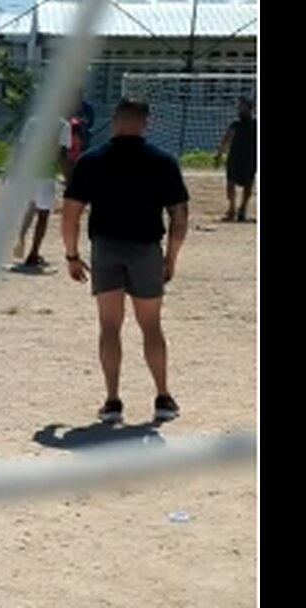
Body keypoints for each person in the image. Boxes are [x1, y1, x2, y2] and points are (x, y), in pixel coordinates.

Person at [60, 98, 189, 424]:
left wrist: (72, 255)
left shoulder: (92, 161)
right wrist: (171, 258)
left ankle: (113, 401)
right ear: (146, 123)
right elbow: (179, 216)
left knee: (109, 326)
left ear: (115, 120)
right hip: (146, 248)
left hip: (106, 247)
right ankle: (162, 396)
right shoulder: (163, 162)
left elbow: (71, 214)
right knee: (151, 327)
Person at [13, 111, 75, 268]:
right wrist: (69, 179)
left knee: (30, 206)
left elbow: (21, 148)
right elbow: (62, 156)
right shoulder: (62, 125)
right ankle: (33, 253)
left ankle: (21, 237)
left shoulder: (33, 121)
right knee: (43, 215)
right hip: (45, 174)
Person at [215, 96, 257, 222]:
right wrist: (219, 155)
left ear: (250, 109)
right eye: (239, 107)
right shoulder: (235, 124)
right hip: (235, 158)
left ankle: (243, 210)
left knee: (248, 185)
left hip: (250, 158)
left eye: (242, 107)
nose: (239, 109)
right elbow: (226, 140)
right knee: (230, 183)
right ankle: (232, 209)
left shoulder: (256, 124)